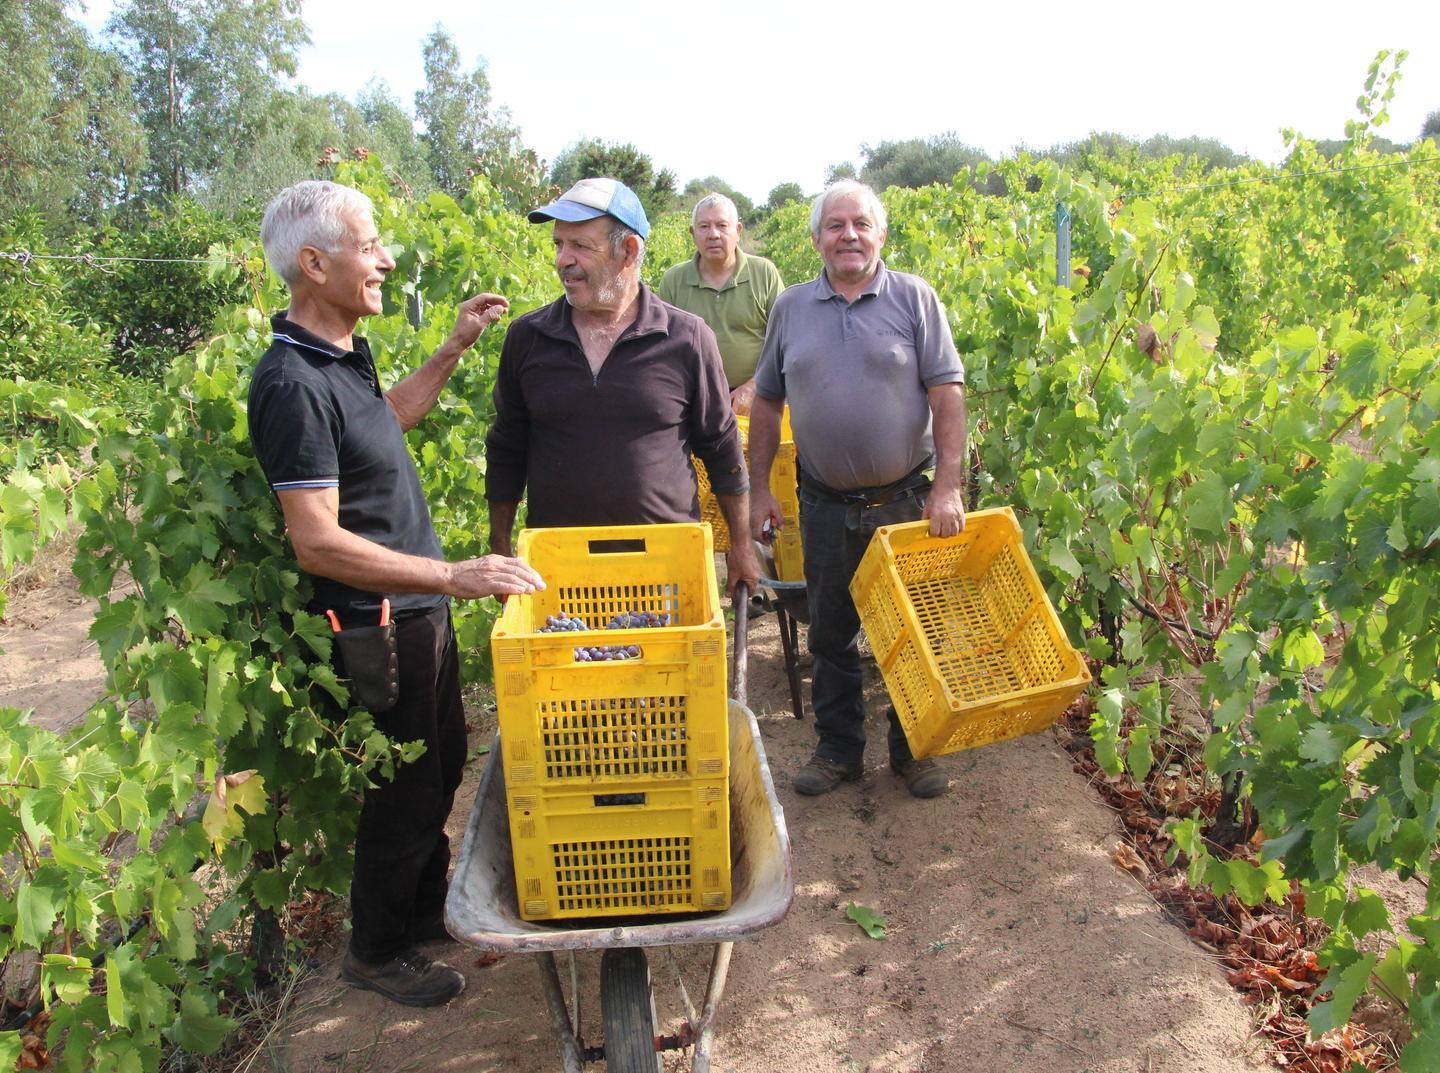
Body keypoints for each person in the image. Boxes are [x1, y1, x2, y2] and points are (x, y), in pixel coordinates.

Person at [248, 179, 545, 1007]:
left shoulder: (340, 357)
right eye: (369, 245)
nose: (385, 259)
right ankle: (375, 951)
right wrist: (452, 574)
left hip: (417, 610)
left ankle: (419, 911)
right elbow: (316, 539)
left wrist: (450, 349)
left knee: (439, 764)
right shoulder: (291, 383)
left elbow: (383, 423)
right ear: (315, 265)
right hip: (376, 620)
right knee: (404, 789)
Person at [748, 180, 967, 799]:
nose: (849, 235)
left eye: (861, 224)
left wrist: (947, 488)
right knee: (830, 633)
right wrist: (760, 490)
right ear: (816, 238)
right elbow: (766, 402)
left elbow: (947, 394)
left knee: (914, 631)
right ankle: (838, 751)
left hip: (905, 500)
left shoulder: (914, 298)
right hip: (823, 503)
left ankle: (913, 752)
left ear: (881, 235)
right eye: (835, 225)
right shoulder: (791, 308)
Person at [485, 177, 761, 595]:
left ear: (628, 250)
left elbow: (721, 448)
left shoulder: (685, 338)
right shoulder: (528, 337)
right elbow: (507, 448)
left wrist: (741, 546)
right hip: (559, 570)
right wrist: (501, 548)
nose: (563, 260)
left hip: (664, 566)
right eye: (559, 244)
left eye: (580, 246)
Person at [656, 193, 784, 415]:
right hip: (692, 401)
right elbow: (662, 347)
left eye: (722, 226)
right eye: (704, 226)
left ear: (738, 231)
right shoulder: (673, 280)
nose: (713, 234)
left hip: (756, 399)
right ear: (692, 233)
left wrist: (754, 387)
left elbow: (785, 340)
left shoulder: (764, 273)